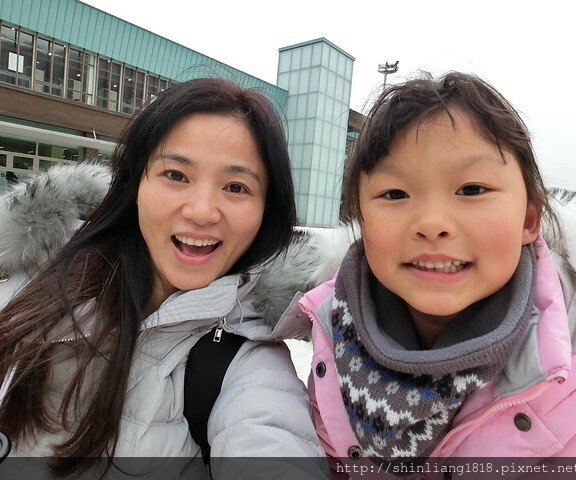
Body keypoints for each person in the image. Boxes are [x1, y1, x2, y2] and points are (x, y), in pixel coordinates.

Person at [282, 72, 576, 472]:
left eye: (471, 189)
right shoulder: (333, 333)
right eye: (395, 194)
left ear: (528, 219)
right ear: (362, 224)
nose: (433, 223)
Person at [0, 78, 329, 479]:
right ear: (135, 182)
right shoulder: (28, 276)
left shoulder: (245, 360)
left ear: (266, 213)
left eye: (236, 187)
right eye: (176, 175)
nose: (203, 210)